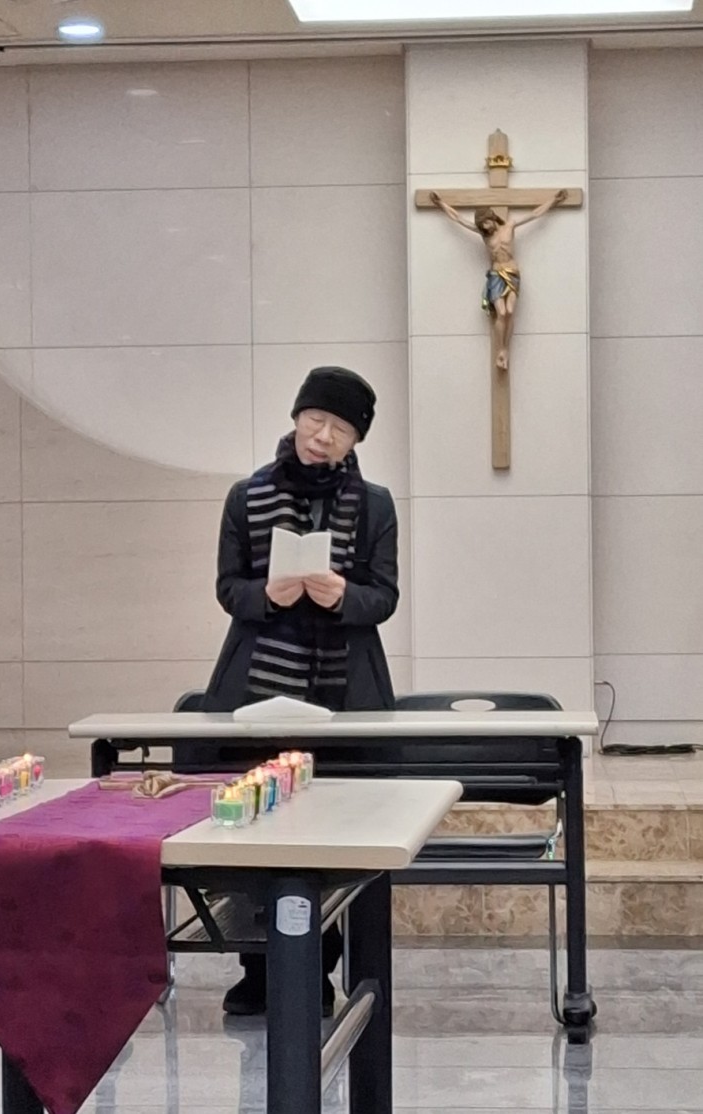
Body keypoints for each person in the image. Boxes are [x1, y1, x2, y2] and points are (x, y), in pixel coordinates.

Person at [203, 365, 399, 1017]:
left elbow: (384, 596)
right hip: (259, 685)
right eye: (316, 419)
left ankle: (318, 966)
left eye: (340, 428)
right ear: (296, 419)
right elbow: (228, 587)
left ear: (355, 440)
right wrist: (266, 594)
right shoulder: (246, 496)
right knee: (255, 824)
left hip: (342, 691)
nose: (323, 436)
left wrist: (342, 594)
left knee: (331, 829)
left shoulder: (375, 505)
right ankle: (257, 967)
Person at [429, 188, 568, 372]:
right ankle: (500, 350)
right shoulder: (484, 235)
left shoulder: (509, 226)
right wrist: (440, 203)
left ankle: (505, 349)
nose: (485, 227)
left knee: (510, 311)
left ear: (492, 217)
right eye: (482, 225)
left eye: (486, 222)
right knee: (501, 312)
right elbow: (458, 219)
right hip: (496, 275)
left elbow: (534, 214)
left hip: (512, 273)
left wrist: (554, 200)